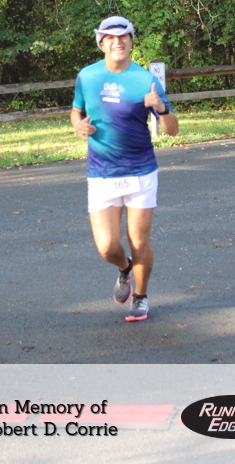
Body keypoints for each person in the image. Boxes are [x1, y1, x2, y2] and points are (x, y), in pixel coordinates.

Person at [70, 16, 179, 322]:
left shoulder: (145, 80)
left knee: (139, 240)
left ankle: (141, 297)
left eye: (123, 37)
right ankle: (125, 268)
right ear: (101, 43)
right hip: (101, 172)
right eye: (110, 37)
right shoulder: (87, 76)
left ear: (131, 41)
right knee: (107, 247)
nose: (117, 42)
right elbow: (76, 111)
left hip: (140, 171)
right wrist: (78, 125)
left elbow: (172, 130)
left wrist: (161, 108)